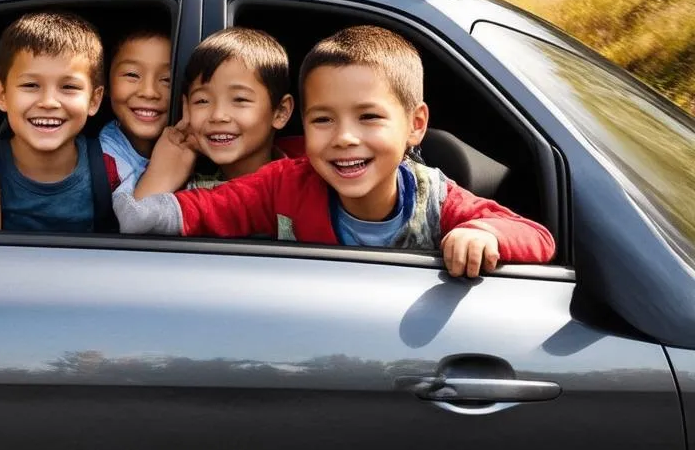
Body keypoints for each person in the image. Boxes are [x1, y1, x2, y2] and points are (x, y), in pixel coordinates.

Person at [114, 25, 555, 277]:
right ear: (303, 125)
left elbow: (538, 237)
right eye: (323, 120)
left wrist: (481, 234)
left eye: (368, 118)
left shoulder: (435, 197)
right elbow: (205, 209)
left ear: (415, 125)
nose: (344, 138)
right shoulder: (284, 183)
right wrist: (145, 200)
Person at [0, 11, 114, 232]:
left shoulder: (111, 168)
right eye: (31, 85)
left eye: (69, 87)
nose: (49, 102)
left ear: (94, 99)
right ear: (1, 94)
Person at [132, 27, 301, 199]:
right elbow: (137, 221)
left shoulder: (303, 187)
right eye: (202, 101)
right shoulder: (187, 193)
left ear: (280, 112)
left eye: (240, 100)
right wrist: (159, 178)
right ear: (186, 108)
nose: (218, 115)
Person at [99, 28, 173, 195]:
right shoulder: (102, 165)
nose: (149, 92)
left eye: (167, 79)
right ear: (106, 84)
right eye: (132, 75)